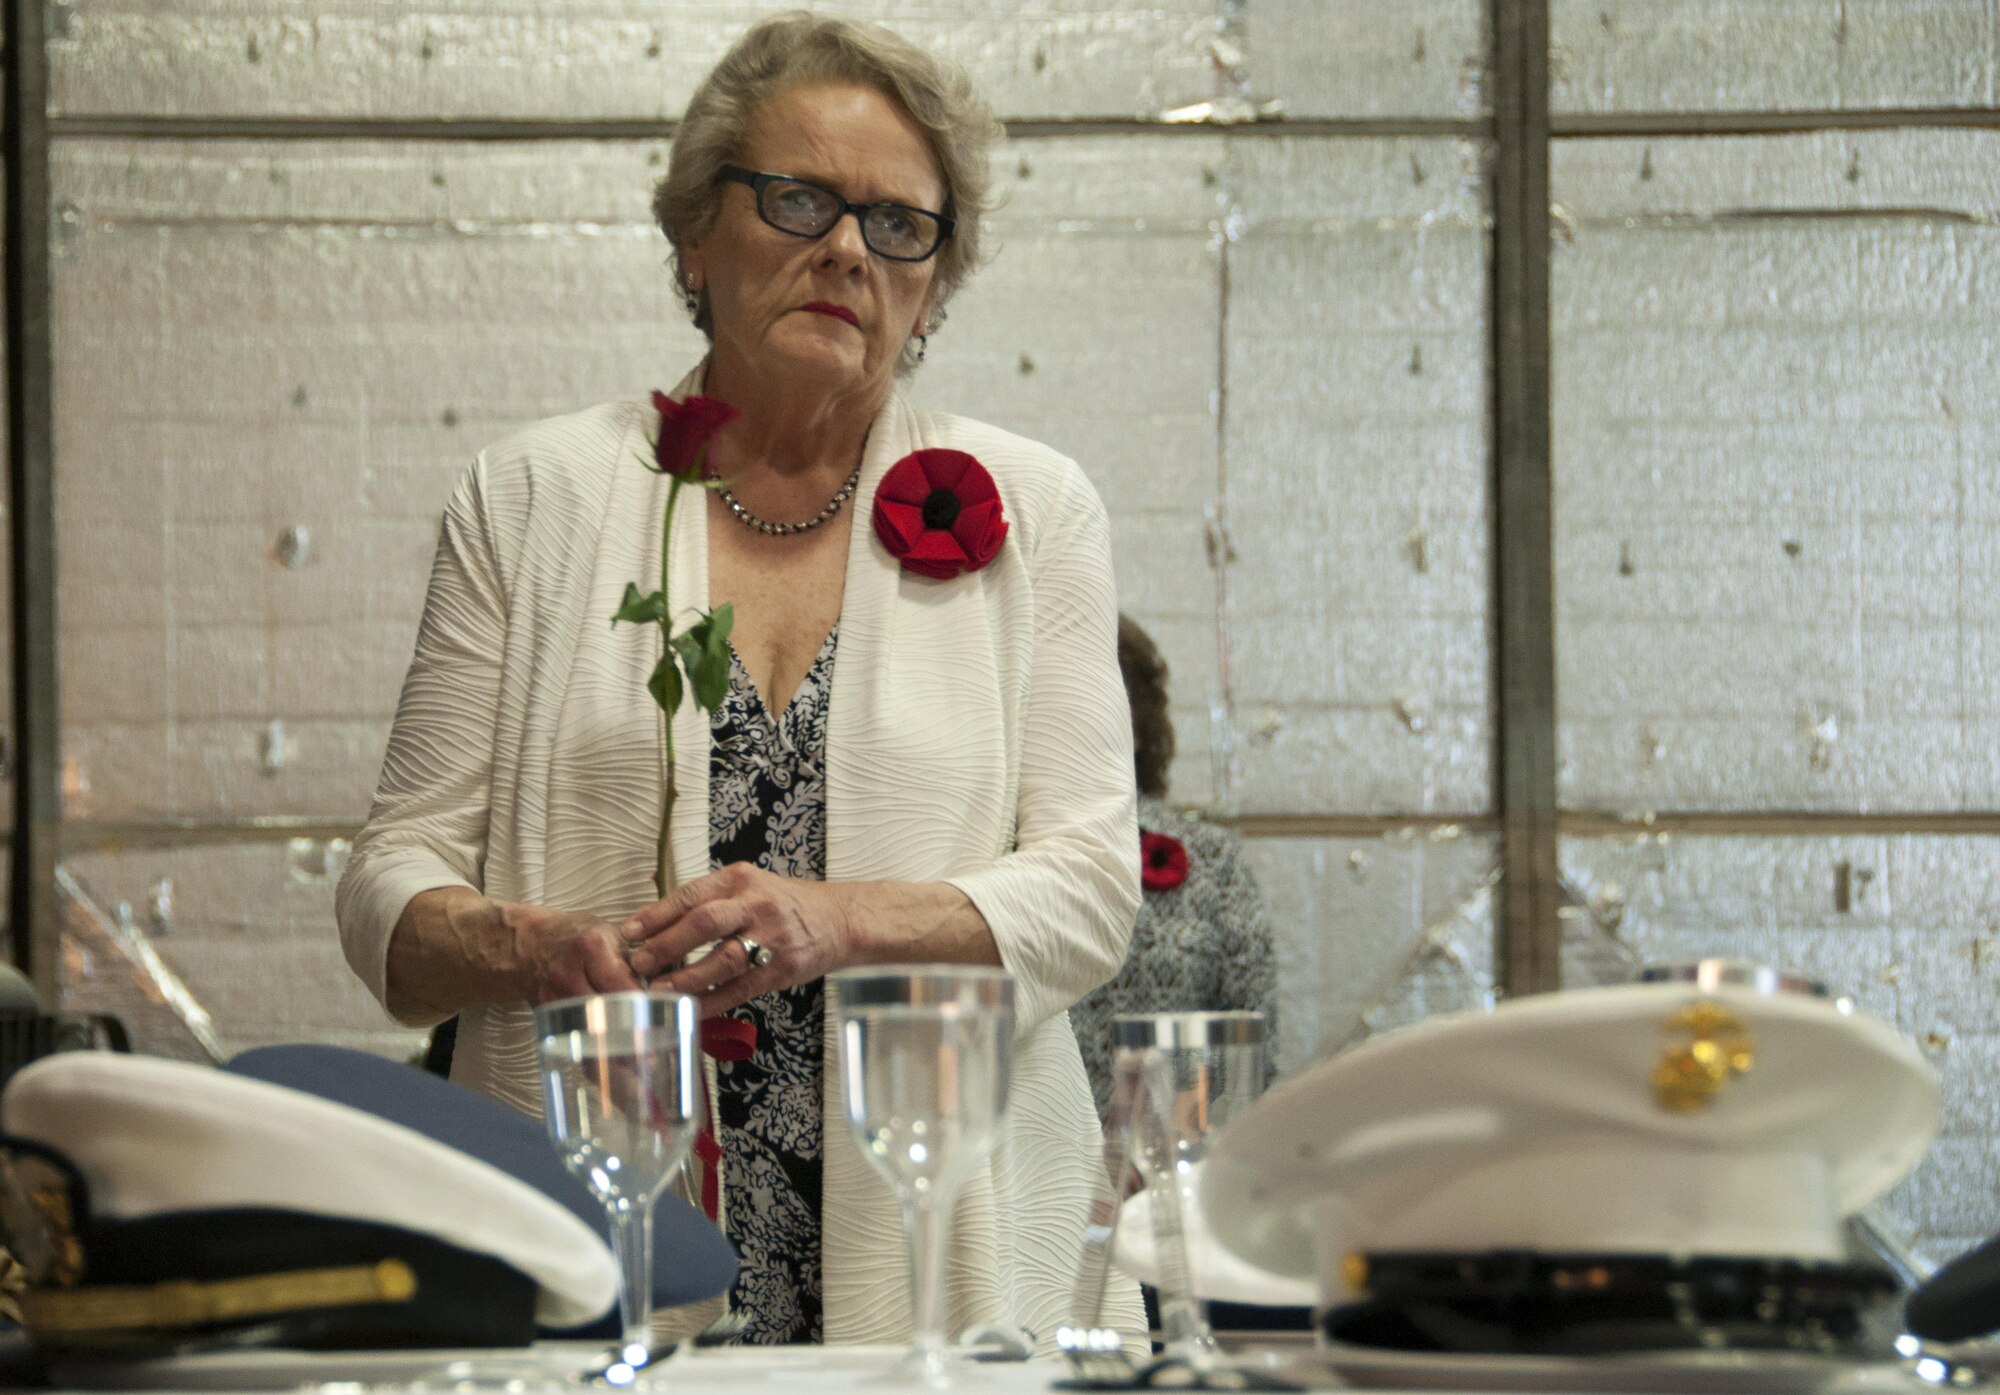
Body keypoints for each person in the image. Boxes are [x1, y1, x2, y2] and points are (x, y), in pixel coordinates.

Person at [336, 14, 1143, 1347]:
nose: (847, 248)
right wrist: (539, 949)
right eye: (799, 198)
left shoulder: (1039, 508)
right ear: (694, 235)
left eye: (901, 224)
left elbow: (1091, 891)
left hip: (945, 1237)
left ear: (936, 285)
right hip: (597, 1216)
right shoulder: (529, 496)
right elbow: (387, 890)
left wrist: (842, 917)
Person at [1070, 616, 1279, 1115]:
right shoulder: (983, 854)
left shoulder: (1211, 862)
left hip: (1171, 1170)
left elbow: (1251, 1051)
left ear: (1138, 727)